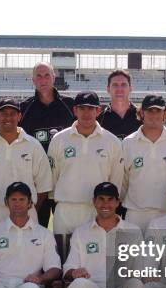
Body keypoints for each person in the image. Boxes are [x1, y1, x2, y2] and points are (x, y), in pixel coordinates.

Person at [0, 99, 52, 234]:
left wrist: (25, 209)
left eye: (13, 113)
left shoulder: (33, 146)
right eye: (4, 113)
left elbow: (43, 186)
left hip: (26, 214)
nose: (8, 117)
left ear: (19, 116)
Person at [47, 91, 123, 236]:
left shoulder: (112, 141)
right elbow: (52, 176)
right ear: (75, 110)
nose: (86, 113)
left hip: (97, 210)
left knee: (95, 257)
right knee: (63, 257)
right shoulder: (59, 139)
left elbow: (116, 179)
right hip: (65, 210)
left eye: (91, 108)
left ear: (98, 110)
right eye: (82, 108)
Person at [19, 62, 75, 228]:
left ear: (53, 78)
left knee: (66, 235)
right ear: (33, 80)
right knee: (36, 231)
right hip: (37, 183)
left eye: (47, 75)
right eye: (39, 76)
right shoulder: (24, 108)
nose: (43, 80)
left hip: (65, 180)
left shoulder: (70, 106)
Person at [122, 95, 166, 232]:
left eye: (158, 111)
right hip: (135, 215)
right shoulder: (128, 143)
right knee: (134, 254)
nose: (154, 115)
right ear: (141, 113)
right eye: (149, 111)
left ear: (165, 113)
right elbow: (123, 181)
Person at [97, 70, 141, 140]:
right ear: (108, 89)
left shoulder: (142, 116)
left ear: (130, 88)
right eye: (115, 85)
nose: (119, 89)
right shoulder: (99, 119)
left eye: (123, 85)